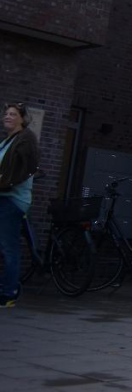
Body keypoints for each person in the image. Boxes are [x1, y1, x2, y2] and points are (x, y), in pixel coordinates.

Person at [0, 103, 39, 308]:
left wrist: (6, 182)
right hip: (3, 197)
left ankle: (9, 292)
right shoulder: (6, 141)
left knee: (9, 247)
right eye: (6, 114)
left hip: (12, 199)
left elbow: (25, 167)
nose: (7, 117)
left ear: (22, 119)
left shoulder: (26, 139)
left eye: (13, 114)